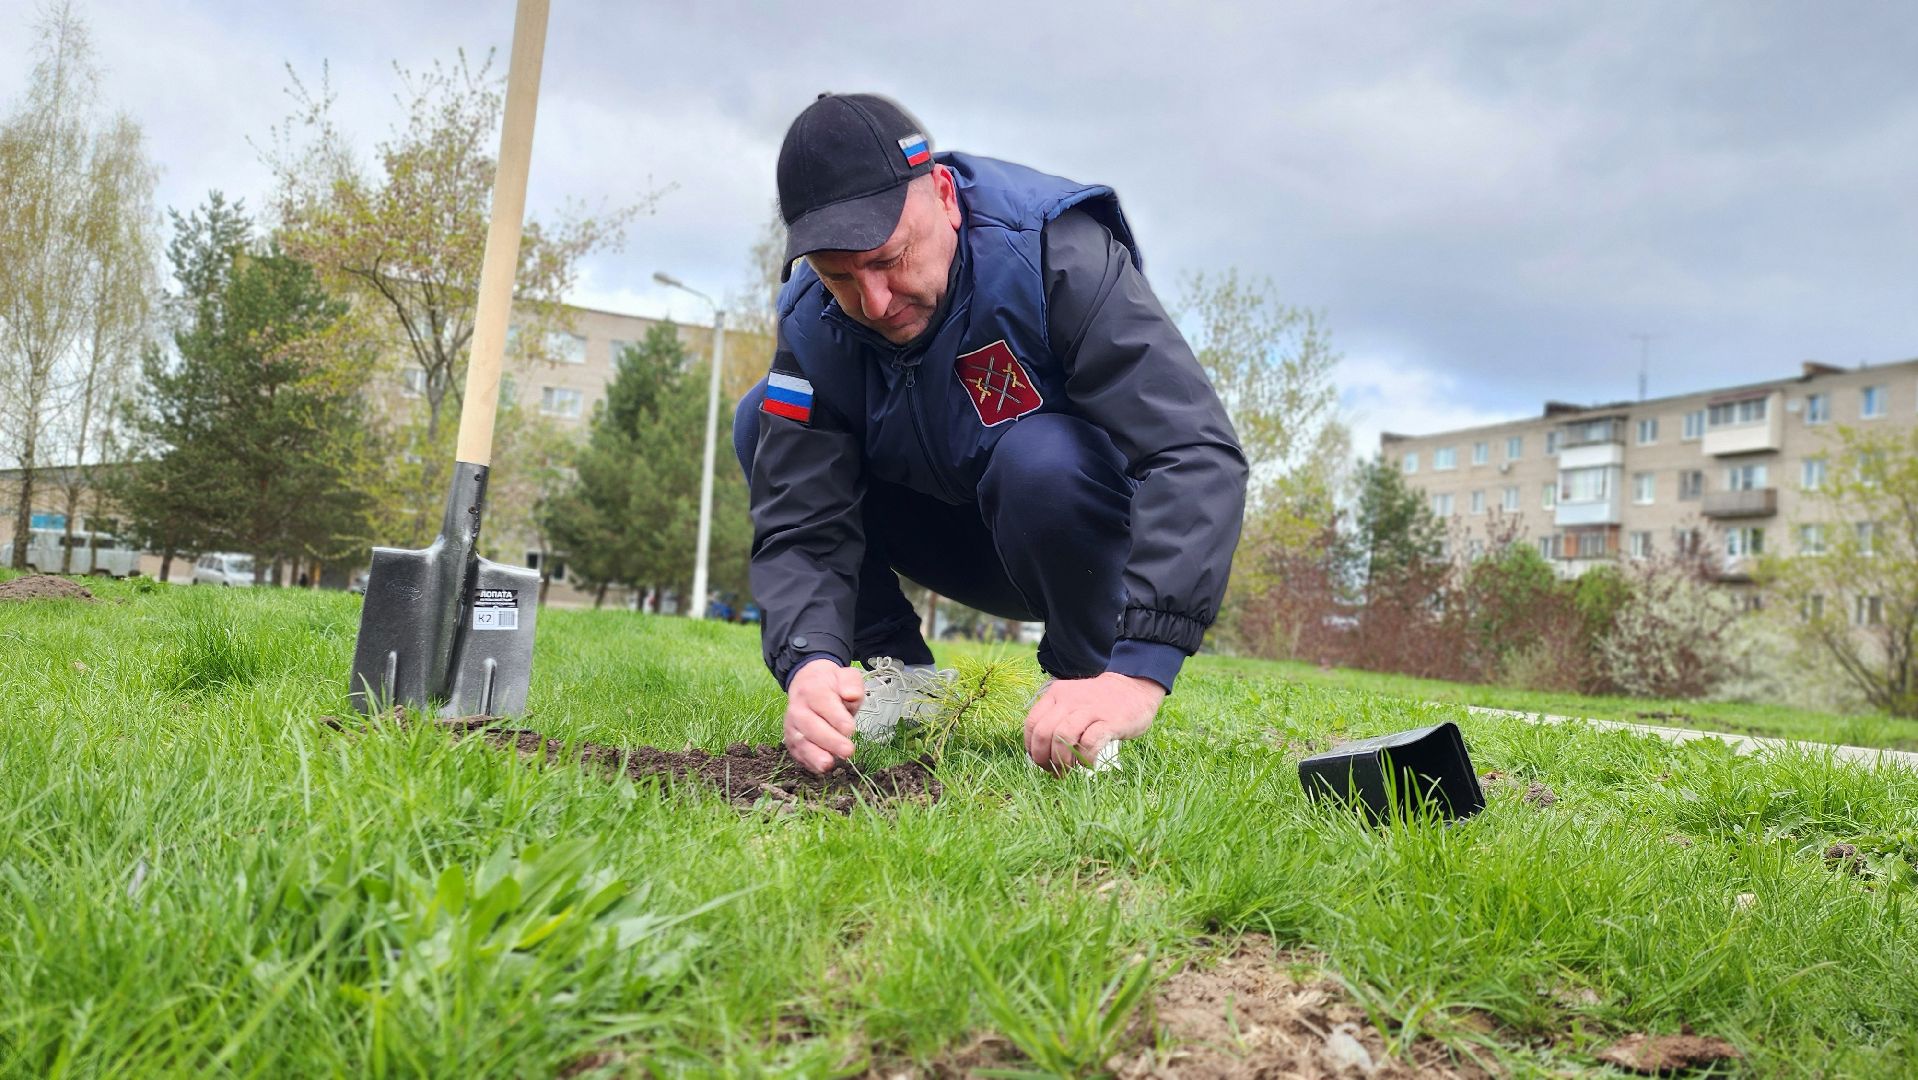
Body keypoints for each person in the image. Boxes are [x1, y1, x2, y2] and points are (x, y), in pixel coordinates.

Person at [735, 92, 1247, 775]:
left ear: (943, 195)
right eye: (839, 277)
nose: (874, 303)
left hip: (1069, 529)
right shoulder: (812, 325)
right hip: (944, 533)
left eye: (889, 259)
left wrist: (1139, 669)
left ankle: (1083, 694)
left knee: (1041, 460)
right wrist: (811, 662)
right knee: (759, 419)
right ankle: (901, 682)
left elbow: (1193, 449)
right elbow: (802, 521)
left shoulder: (1053, 254)